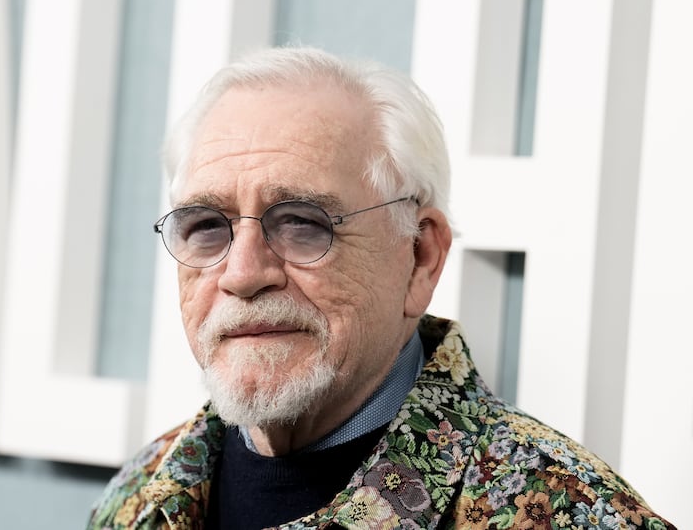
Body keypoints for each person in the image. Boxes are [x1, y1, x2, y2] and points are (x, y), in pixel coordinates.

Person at [87, 46, 674, 530]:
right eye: (207, 227)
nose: (242, 274)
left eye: (301, 223)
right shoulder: (140, 496)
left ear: (420, 257)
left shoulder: (575, 514)